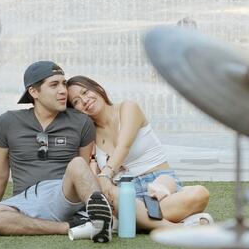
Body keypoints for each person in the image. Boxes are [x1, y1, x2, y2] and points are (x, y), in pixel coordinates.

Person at [0, 61, 114, 242]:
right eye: (54, 85)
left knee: (78, 163)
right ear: (34, 92)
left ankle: (98, 219)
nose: (63, 90)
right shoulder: (7, 122)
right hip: (25, 200)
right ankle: (72, 226)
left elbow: (83, 171)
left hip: (64, 194)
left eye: (63, 83)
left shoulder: (81, 122)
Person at [66, 76, 211, 231]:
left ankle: (134, 221)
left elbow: (124, 146)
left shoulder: (128, 108)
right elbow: (90, 168)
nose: (85, 100)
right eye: (76, 101)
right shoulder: (89, 133)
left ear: (97, 88)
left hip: (159, 187)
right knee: (120, 198)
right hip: (124, 193)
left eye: (85, 92)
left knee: (199, 193)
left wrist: (106, 174)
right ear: (75, 110)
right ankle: (178, 227)